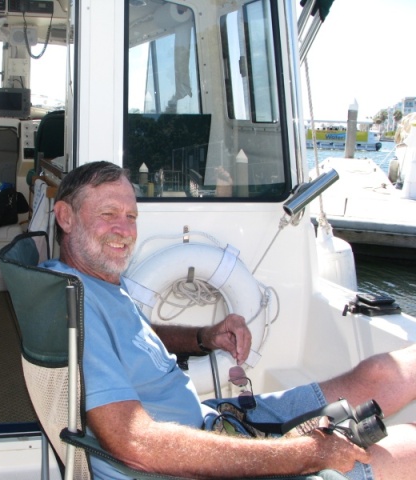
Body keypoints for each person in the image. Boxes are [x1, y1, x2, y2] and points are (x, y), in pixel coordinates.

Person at [41, 160, 416, 480]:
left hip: (215, 421)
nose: (124, 230)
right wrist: (307, 454)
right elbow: (136, 444)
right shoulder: (75, 306)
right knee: (406, 446)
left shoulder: (96, 283)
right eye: (108, 215)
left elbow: (135, 340)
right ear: (66, 217)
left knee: (382, 373)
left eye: (131, 216)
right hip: (187, 461)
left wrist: (204, 336)